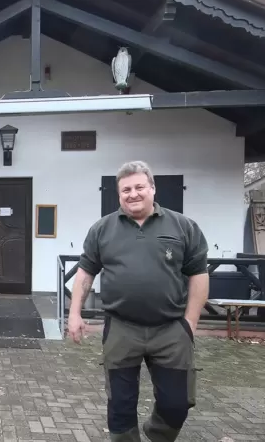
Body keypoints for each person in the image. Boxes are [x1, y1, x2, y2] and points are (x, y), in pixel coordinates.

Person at [67, 161, 210, 442]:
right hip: (122, 328)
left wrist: (189, 324)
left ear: (152, 189)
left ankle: (156, 433)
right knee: (120, 406)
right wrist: (74, 313)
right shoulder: (102, 229)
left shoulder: (183, 226)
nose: (133, 194)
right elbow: (85, 273)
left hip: (170, 329)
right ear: (119, 194)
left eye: (139, 187)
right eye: (126, 190)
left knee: (176, 404)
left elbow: (199, 275)